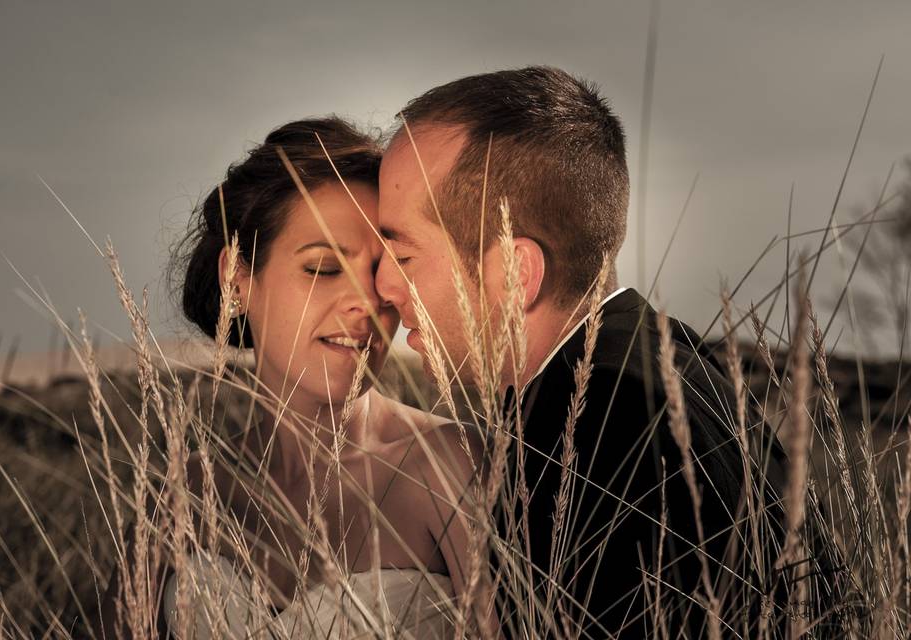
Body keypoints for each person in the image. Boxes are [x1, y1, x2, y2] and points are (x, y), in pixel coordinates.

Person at [375, 67, 843, 637]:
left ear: (515, 274)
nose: (382, 287)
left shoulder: (600, 428)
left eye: (403, 257)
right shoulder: (670, 362)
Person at [99, 118, 482, 639]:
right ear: (236, 277)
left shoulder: (449, 468)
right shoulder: (182, 493)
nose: (367, 302)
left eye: (386, 272)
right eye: (323, 267)